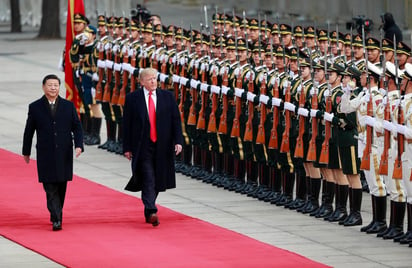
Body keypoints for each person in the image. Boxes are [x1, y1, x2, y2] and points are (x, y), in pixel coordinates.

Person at [22, 74, 84, 231]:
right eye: (50, 85)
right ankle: (57, 218)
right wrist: (26, 151)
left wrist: (79, 145)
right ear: (44, 87)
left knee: (61, 185)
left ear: (59, 87)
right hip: (46, 153)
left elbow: (77, 127)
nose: (53, 88)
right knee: (49, 186)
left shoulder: (68, 106)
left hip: (64, 152)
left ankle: (56, 211)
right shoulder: (35, 107)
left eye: (56, 85)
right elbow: (29, 131)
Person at [122, 68, 183, 227]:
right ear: (141, 81)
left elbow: (176, 120)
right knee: (148, 176)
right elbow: (126, 125)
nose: (153, 81)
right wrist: (127, 147)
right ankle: (151, 209)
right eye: (149, 79)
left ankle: (149, 209)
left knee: (157, 178)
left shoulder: (167, 97)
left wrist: (178, 141)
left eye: (155, 78)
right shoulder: (132, 98)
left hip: (162, 144)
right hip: (142, 145)